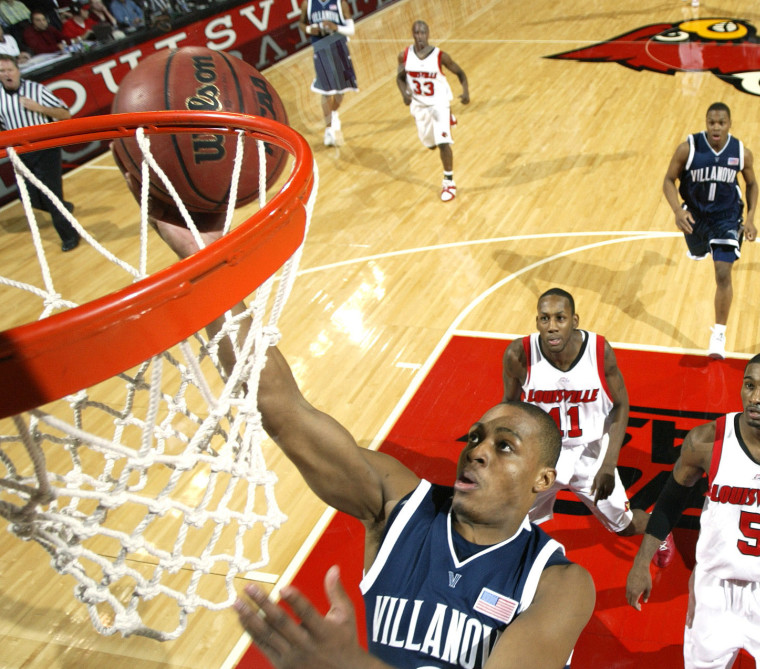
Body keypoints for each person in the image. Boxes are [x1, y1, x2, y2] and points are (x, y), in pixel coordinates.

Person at [134, 217, 597, 667]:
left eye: (504, 446)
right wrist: (204, 258)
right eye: (475, 437)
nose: (476, 450)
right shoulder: (400, 506)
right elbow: (284, 410)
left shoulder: (558, 583)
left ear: (544, 479)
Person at [626, 351, 760, 669]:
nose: (755, 397)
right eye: (749, 385)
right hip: (715, 591)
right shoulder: (706, 441)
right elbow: (670, 500)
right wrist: (642, 561)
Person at [502, 288, 674, 564]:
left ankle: (659, 528)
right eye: (545, 319)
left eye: (560, 318)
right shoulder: (518, 355)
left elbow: (621, 406)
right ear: (537, 322)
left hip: (590, 454)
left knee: (625, 526)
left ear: (575, 320)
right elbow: (509, 406)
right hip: (543, 453)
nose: (552, 327)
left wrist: (608, 464)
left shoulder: (599, 352)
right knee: (510, 519)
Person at [662, 101, 758, 360]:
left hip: (726, 217)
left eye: (721, 123)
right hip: (695, 214)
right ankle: (700, 247)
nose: (716, 127)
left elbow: (752, 184)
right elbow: (668, 180)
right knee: (697, 249)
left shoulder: (741, 152)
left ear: (729, 124)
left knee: (723, 272)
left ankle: (718, 334)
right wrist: (677, 211)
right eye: (712, 123)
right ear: (706, 123)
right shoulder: (688, 149)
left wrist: (749, 217)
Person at [0, 54, 78, 251]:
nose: (7, 74)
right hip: (19, 152)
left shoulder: (36, 90)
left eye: (10, 69)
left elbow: (65, 114)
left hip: (45, 148)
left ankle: (70, 236)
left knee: (51, 194)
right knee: (28, 197)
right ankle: (64, 208)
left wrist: (39, 108)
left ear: (18, 71)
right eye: (2, 71)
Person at [396, 19, 468, 202]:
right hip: (419, 106)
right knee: (430, 144)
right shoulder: (404, 55)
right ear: (412, 34)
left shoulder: (440, 56)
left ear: (428, 34)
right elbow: (400, 77)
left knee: (444, 143)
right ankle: (446, 122)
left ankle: (449, 182)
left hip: (439, 104)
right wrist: (404, 93)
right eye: (416, 33)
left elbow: (460, 73)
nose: (420, 36)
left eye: (422, 32)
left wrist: (465, 92)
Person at [302, 0, 357, 147]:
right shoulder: (308, 4)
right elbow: (302, 24)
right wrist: (310, 30)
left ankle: (333, 113)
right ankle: (328, 129)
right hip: (321, 52)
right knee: (326, 92)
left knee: (340, 91)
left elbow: (351, 30)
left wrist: (335, 27)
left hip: (340, 50)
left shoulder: (340, 3)